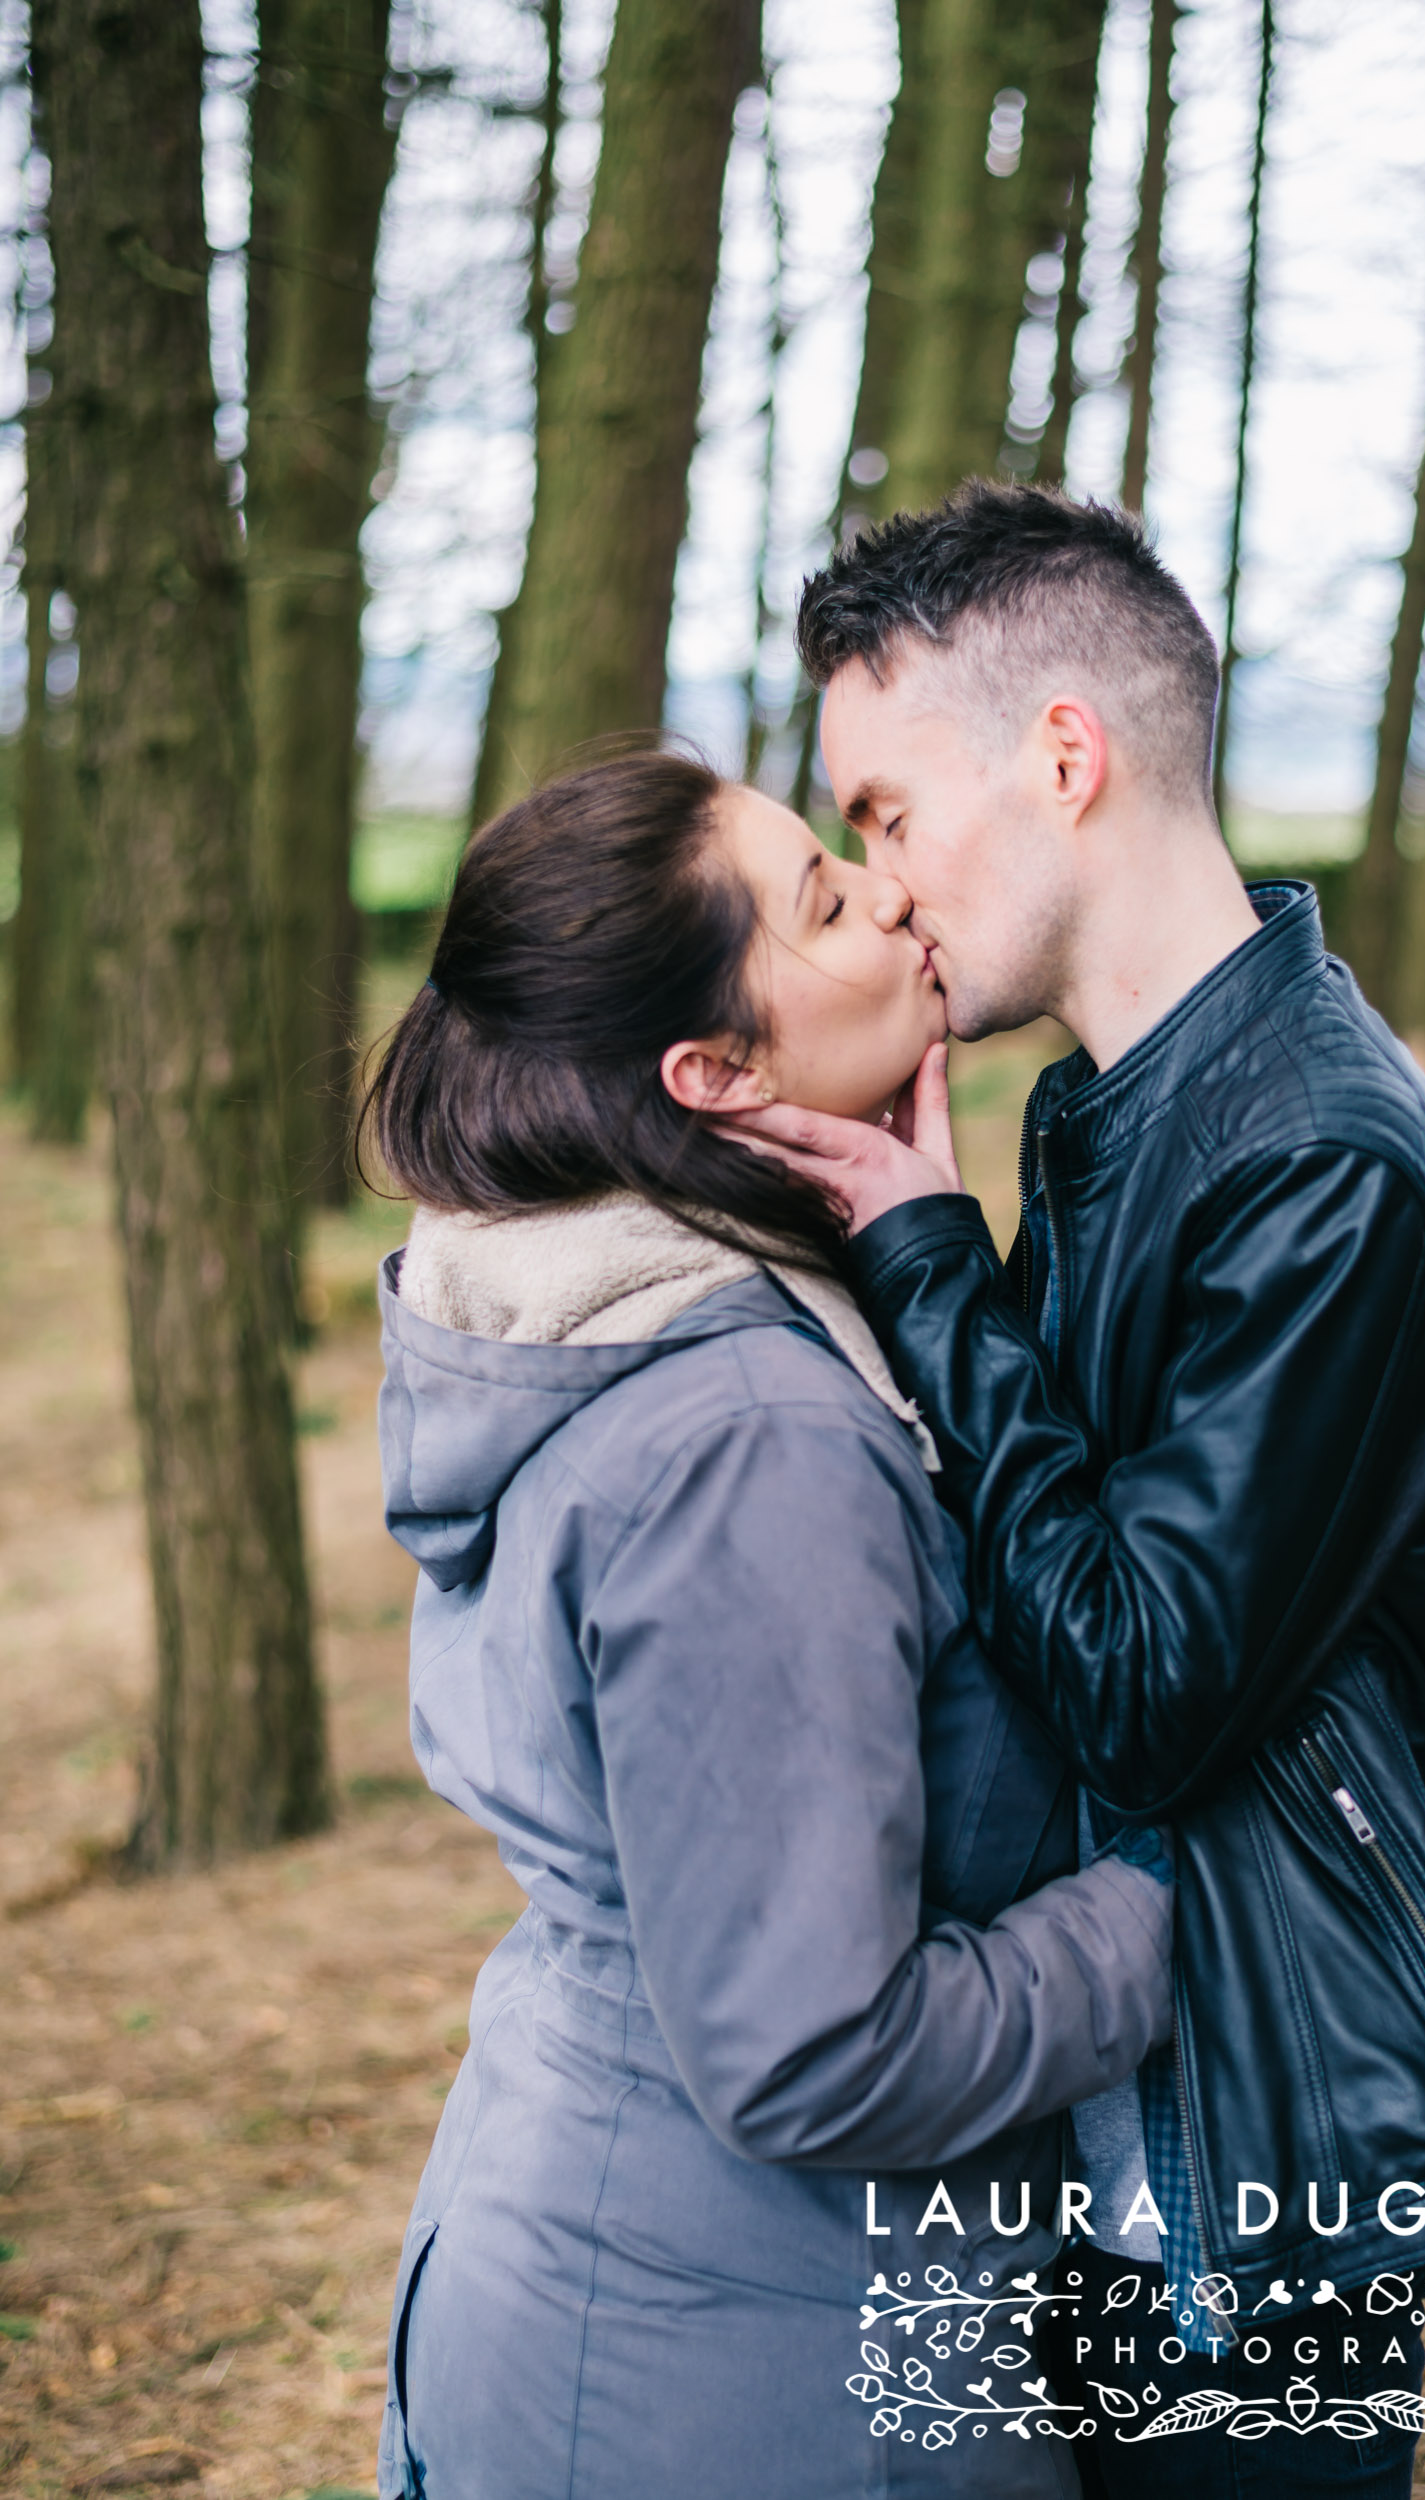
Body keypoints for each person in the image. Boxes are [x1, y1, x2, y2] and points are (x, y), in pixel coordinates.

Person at [736, 483, 1425, 2497]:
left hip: (1260, 2152)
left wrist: (931, 1259)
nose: (878, 882)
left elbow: (1133, 1670)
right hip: (1111, 2103)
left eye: (881, 811)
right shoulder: (1125, 1110)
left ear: (1062, 755)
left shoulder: (1321, 1154)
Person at [364, 752, 1177, 2500]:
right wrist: (1168, 1912)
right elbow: (817, 2051)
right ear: (714, 1073)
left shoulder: (622, 1297)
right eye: (821, 898)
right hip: (735, 2370)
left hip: (639, 2265)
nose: (885, 891)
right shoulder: (749, 1439)